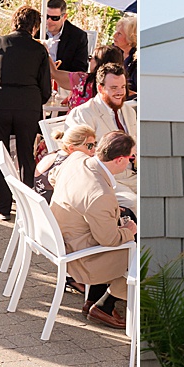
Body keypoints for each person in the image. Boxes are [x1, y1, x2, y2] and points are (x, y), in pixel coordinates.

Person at [0, 5, 53, 221]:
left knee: (0, 156)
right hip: (28, 106)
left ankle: (3, 208)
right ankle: (26, 209)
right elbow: (46, 89)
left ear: (14, 22)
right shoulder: (39, 50)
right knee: (26, 157)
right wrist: (32, 100)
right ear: (34, 27)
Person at [50, 128, 137, 330]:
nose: (131, 162)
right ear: (119, 160)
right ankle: (105, 305)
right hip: (81, 257)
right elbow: (109, 239)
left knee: (126, 218)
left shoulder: (77, 158)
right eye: (131, 158)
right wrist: (129, 230)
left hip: (66, 236)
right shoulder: (100, 194)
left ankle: (92, 300)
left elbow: (54, 177)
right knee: (143, 251)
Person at [69, 59, 136, 147]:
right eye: (114, 88)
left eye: (123, 87)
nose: (120, 92)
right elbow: (83, 151)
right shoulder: (83, 113)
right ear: (100, 88)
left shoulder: (129, 111)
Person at [42, 0, 91, 98]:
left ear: (64, 17)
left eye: (54, 18)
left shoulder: (77, 36)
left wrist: (57, 76)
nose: (49, 21)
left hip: (63, 86)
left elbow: (80, 69)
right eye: (46, 16)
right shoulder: (38, 31)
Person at [107, 13, 138, 94]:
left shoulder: (137, 62)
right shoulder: (113, 52)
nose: (114, 36)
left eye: (119, 34)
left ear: (130, 38)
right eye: (116, 32)